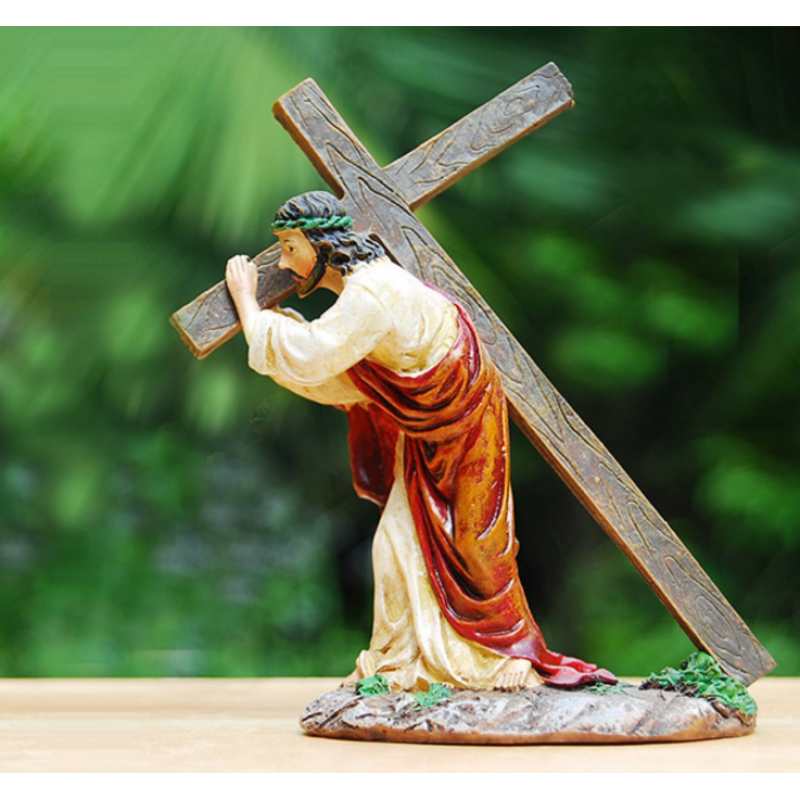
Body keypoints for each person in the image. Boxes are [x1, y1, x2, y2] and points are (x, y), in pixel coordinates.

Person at [226, 191, 616, 691]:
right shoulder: (366, 290)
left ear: (322, 245)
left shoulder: (370, 296)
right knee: (394, 545)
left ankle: (508, 654)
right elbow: (341, 372)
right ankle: (399, 662)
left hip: (462, 422)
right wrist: (275, 326)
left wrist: (248, 305)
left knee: (475, 542)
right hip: (424, 429)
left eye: (289, 248)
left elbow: (311, 355)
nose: (283, 264)